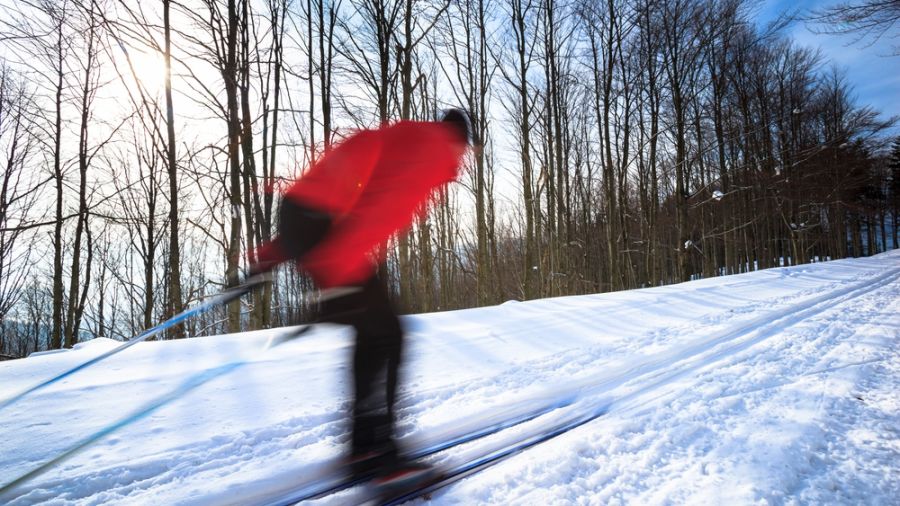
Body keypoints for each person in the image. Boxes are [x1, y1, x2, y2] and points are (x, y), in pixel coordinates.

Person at [248, 109, 471, 486]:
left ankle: (365, 448)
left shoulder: (406, 138)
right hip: (326, 229)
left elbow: (339, 179)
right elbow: (380, 209)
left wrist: (278, 250)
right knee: (387, 335)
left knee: (374, 335)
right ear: (460, 139)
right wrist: (337, 271)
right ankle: (382, 460)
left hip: (308, 216)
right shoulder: (431, 151)